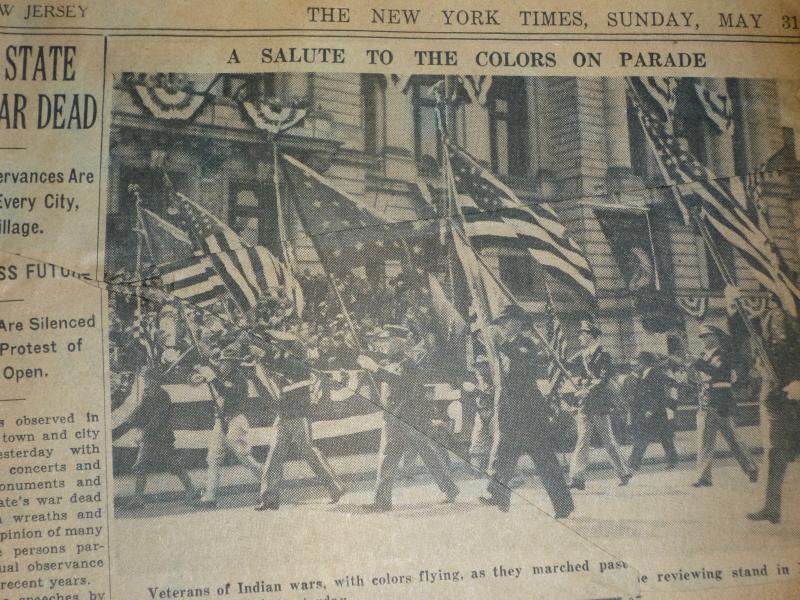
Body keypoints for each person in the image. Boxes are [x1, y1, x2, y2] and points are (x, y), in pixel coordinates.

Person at [478, 305, 574, 517]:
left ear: (518, 323)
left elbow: (522, 369)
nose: (501, 326)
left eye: (505, 322)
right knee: (504, 457)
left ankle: (563, 505)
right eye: (500, 323)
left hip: (529, 414)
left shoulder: (526, 346)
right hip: (510, 413)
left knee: (545, 461)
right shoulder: (505, 346)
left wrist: (498, 346)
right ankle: (499, 496)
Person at [358, 324, 459, 512]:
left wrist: (374, 368)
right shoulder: (390, 363)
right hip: (393, 419)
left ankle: (450, 488)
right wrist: (370, 367)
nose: (383, 345)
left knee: (428, 455)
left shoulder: (407, 363)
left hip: (409, 419)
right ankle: (382, 501)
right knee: (387, 459)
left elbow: (396, 379)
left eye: (386, 341)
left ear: (398, 343)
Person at [725, 287, 800, 523]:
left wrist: (796, 378)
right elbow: (745, 334)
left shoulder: (784, 315)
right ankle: (771, 506)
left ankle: (771, 506)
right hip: (776, 388)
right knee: (775, 450)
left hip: (786, 386)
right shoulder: (772, 315)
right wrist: (734, 306)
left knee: (777, 449)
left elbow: (788, 349)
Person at [255, 330, 346, 511]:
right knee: (274, 455)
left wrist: (264, 357)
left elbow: (281, 372)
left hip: (298, 415)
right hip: (284, 415)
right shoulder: (281, 362)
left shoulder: (297, 364)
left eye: (278, 344)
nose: (275, 347)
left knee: (308, 452)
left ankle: (336, 487)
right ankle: (269, 498)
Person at [190, 332, 263, 509]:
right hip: (221, 420)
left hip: (236, 420)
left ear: (232, 363)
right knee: (213, 458)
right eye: (221, 361)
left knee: (243, 456)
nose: (221, 364)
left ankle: (268, 484)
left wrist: (212, 378)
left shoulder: (239, 379)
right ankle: (209, 497)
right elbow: (199, 381)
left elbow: (227, 393)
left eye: (224, 362)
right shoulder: (222, 376)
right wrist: (200, 375)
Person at [566, 319, 632, 490]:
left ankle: (624, 471)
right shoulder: (582, 354)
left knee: (608, 440)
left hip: (599, 403)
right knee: (582, 439)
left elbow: (603, 379)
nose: (580, 336)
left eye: (583, 333)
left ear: (591, 335)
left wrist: (586, 389)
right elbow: (566, 364)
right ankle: (577, 478)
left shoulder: (603, 355)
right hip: (585, 404)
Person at [691, 323, 758, 488]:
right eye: (701, 336)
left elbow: (719, 373)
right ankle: (704, 477)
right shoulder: (703, 356)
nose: (703, 339)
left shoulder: (723, 355)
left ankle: (750, 468)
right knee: (704, 441)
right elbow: (699, 379)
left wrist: (698, 363)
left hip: (721, 402)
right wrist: (691, 368)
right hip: (705, 401)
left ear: (715, 337)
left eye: (706, 336)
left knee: (733, 439)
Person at [125, 365, 200, 509]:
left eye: (148, 378)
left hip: (162, 437)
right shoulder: (148, 393)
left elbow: (157, 419)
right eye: (145, 378)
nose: (145, 381)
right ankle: (138, 499)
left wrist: (143, 433)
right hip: (149, 438)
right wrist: (131, 419)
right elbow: (141, 410)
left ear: (155, 379)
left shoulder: (163, 396)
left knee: (174, 466)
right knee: (140, 466)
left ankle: (191, 491)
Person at [627, 352, 679, 471]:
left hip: (655, 412)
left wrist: (651, 410)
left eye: (638, 362)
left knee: (645, 437)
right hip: (652, 411)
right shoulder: (645, 374)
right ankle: (673, 460)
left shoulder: (655, 374)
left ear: (644, 363)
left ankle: (634, 463)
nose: (637, 365)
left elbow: (658, 393)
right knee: (662, 437)